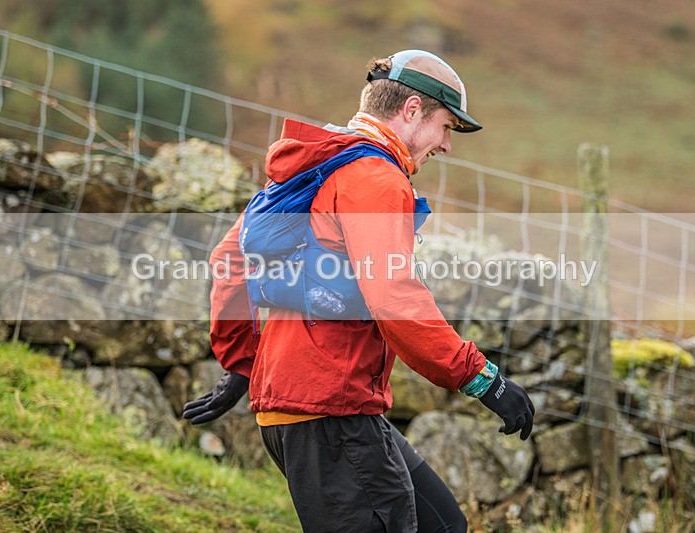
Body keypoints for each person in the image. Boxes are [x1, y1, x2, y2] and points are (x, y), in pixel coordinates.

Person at [183, 50, 535, 532]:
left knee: (443, 524)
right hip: (332, 412)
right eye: (447, 127)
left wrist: (243, 363)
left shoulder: (320, 163)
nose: (447, 146)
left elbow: (229, 262)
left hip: (315, 411)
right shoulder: (376, 178)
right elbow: (394, 296)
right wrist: (482, 379)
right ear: (411, 110)